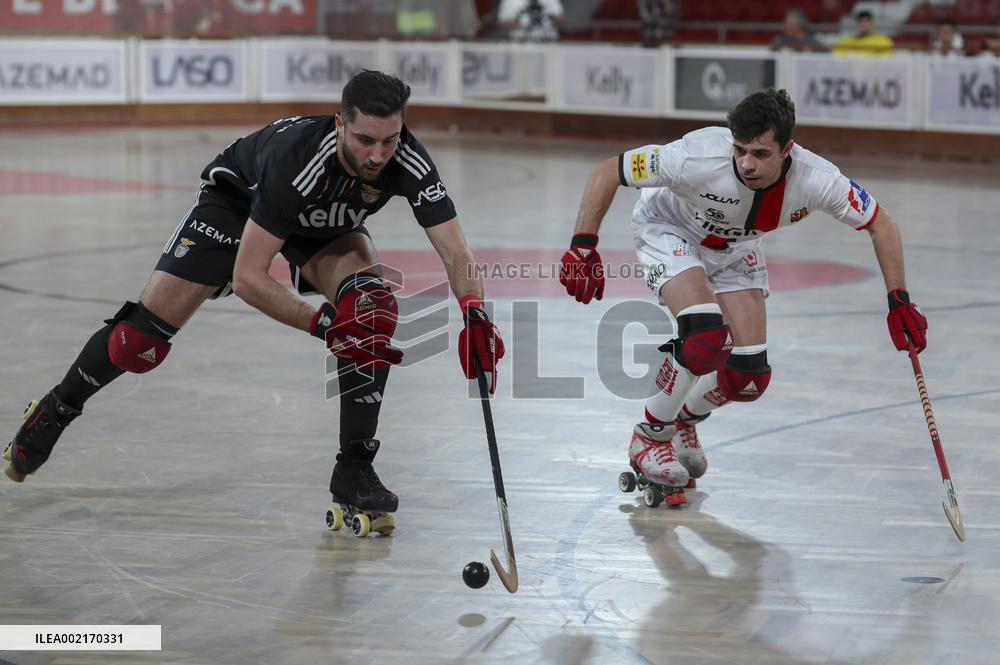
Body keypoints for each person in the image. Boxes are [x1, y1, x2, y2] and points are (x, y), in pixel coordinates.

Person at [3, 70, 505, 526]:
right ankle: (56, 409)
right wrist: (326, 328)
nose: (378, 155)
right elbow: (248, 277)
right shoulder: (298, 162)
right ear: (340, 125)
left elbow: (455, 249)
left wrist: (475, 314)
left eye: (389, 140)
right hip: (239, 205)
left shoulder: (407, 158)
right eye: (365, 140)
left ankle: (354, 470)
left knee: (370, 311)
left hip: (321, 225)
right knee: (138, 344)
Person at [558, 88, 927, 504]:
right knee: (703, 338)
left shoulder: (817, 180)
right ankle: (648, 436)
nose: (747, 164)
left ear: (787, 149)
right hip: (670, 230)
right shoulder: (695, 156)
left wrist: (899, 298)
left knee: (749, 378)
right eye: (739, 150)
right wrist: (583, 244)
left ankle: (684, 419)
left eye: (760, 153)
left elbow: (881, 223)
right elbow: (610, 170)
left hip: (737, 248)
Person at [498, 0, 564, 42]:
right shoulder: (509, 1)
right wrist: (523, 22)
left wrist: (546, 15)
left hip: (546, 40)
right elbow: (502, 22)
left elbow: (560, 18)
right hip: (520, 43)